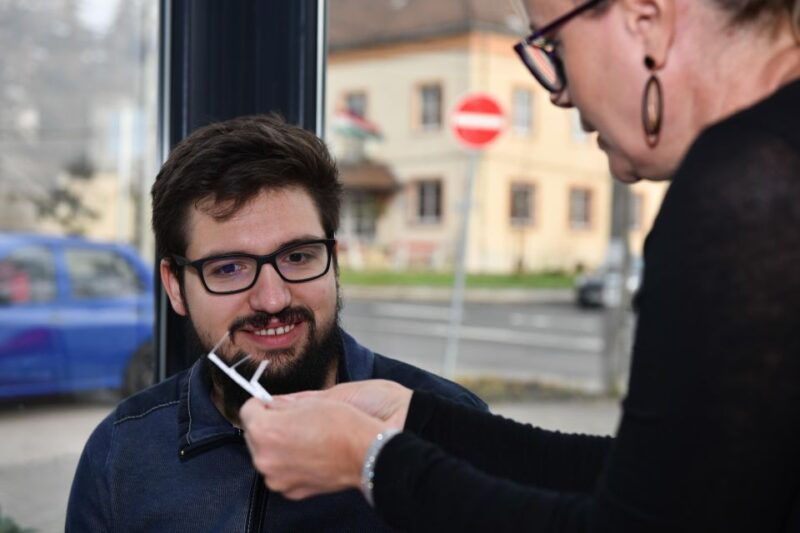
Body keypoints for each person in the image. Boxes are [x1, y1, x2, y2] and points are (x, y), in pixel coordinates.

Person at [237, 0, 800, 531]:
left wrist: (368, 463)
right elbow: (666, 480)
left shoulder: (750, 187)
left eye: (554, 47)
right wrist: (416, 420)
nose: (560, 95)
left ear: (645, 20)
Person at [65, 114, 485, 532]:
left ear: (333, 262)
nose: (273, 298)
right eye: (228, 268)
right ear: (175, 287)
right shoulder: (123, 452)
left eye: (298, 257)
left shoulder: (446, 428)